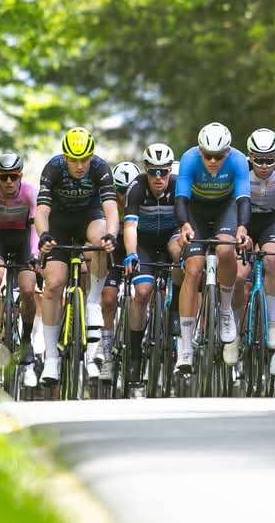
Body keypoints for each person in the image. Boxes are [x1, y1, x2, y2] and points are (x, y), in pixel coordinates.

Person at [35, 127, 118, 386]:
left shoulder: (100, 168)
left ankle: (92, 303)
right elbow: (42, 211)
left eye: (85, 159)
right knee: (53, 285)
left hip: (88, 217)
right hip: (59, 222)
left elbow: (111, 208)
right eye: (74, 160)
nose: (80, 166)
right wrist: (43, 235)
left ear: (92, 156)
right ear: (65, 157)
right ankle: (51, 358)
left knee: (101, 240)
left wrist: (112, 235)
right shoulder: (53, 168)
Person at [174, 122, 251, 371]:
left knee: (226, 249)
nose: (213, 161)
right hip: (195, 210)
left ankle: (225, 310)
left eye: (219, 156)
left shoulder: (238, 160)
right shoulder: (189, 159)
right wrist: (185, 225)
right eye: (208, 155)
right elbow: (181, 199)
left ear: (228, 152)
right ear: (200, 150)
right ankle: (186, 348)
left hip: (225, 209)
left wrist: (242, 228)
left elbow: (243, 199)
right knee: (193, 269)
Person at [117, 147, 183, 384]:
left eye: (163, 172)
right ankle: (135, 355)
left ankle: (175, 308)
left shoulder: (178, 185)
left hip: (170, 237)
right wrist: (131, 253)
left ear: (170, 170)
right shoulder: (136, 187)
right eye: (153, 171)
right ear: (146, 169)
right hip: (144, 242)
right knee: (143, 293)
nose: (158, 177)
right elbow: (130, 226)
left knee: (180, 254)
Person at [0, 152, 39, 387]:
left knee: (28, 289)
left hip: (24, 239)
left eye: (13, 176)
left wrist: (34, 255)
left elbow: (35, 227)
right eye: (4, 177)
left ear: (20, 176)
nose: (9, 182)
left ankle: (27, 342)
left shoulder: (30, 193)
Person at [236, 128, 275, 358]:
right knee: (239, 275)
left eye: (270, 159)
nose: (264, 165)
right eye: (258, 159)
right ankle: (235, 331)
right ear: (249, 155)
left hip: (271, 220)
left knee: (272, 259)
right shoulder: (240, 168)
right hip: (243, 218)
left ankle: (273, 325)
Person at [98, 160, 142, 383]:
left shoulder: (142, 195)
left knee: (143, 294)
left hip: (138, 249)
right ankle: (106, 355)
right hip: (115, 252)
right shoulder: (106, 201)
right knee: (107, 298)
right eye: (121, 191)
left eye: (129, 190)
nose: (125, 196)